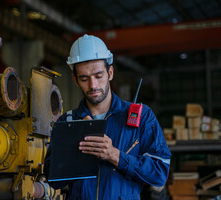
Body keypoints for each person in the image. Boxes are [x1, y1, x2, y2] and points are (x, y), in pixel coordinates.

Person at [44, 34, 171, 200]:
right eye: (84, 79)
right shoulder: (67, 122)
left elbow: (159, 173)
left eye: (98, 76)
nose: (93, 85)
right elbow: (53, 180)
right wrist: (74, 148)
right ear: (75, 80)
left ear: (110, 73)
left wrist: (114, 155)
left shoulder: (142, 116)